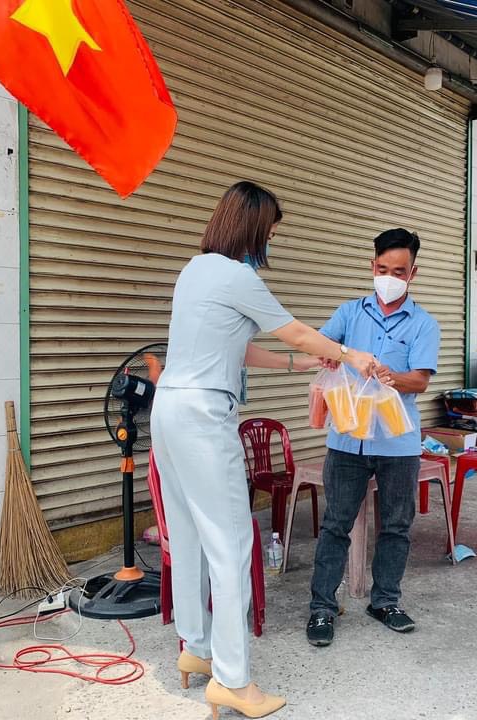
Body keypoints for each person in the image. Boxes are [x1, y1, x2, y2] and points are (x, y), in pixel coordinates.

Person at [150, 181, 377, 719]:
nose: (272, 239)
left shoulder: (195, 270)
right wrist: (350, 356)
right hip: (205, 417)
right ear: (254, 227)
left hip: (169, 411)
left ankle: (196, 650)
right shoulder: (237, 275)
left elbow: (239, 345)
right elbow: (296, 331)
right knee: (231, 544)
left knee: (188, 536)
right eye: (272, 230)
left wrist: (301, 365)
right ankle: (232, 680)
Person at [306, 228, 441, 647]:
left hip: (397, 444)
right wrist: (331, 352)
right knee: (335, 525)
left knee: (397, 525)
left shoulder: (424, 323)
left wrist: (390, 377)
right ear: (372, 267)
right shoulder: (350, 313)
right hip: (347, 439)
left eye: (398, 271)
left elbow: (419, 381)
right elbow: (320, 344)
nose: (388, 277)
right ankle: (322, 607)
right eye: (382, 269)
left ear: (412, 272)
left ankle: (385, 601)